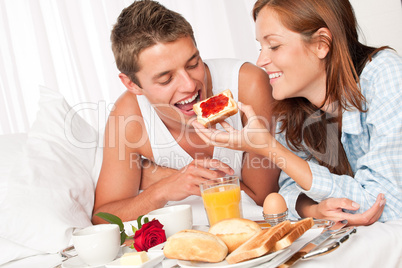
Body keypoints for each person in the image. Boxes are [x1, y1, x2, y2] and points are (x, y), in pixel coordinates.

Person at [193, 0, 402, 225]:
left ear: (322, 44)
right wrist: (315, 209)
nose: (260, 61)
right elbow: (289, 190)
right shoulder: (294, 106)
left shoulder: (385, 76)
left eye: (274, 46)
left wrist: (268, 147)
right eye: (260, 47)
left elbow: (386, 206)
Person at [92, 0, 280, 225]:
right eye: (166, 79)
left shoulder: (248, 85)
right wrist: (164, 188)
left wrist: (153, 175)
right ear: (132, 84)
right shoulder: (128, 116)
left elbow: (263, 200)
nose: (190, 85)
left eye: (193, 64)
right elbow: (104, 218)